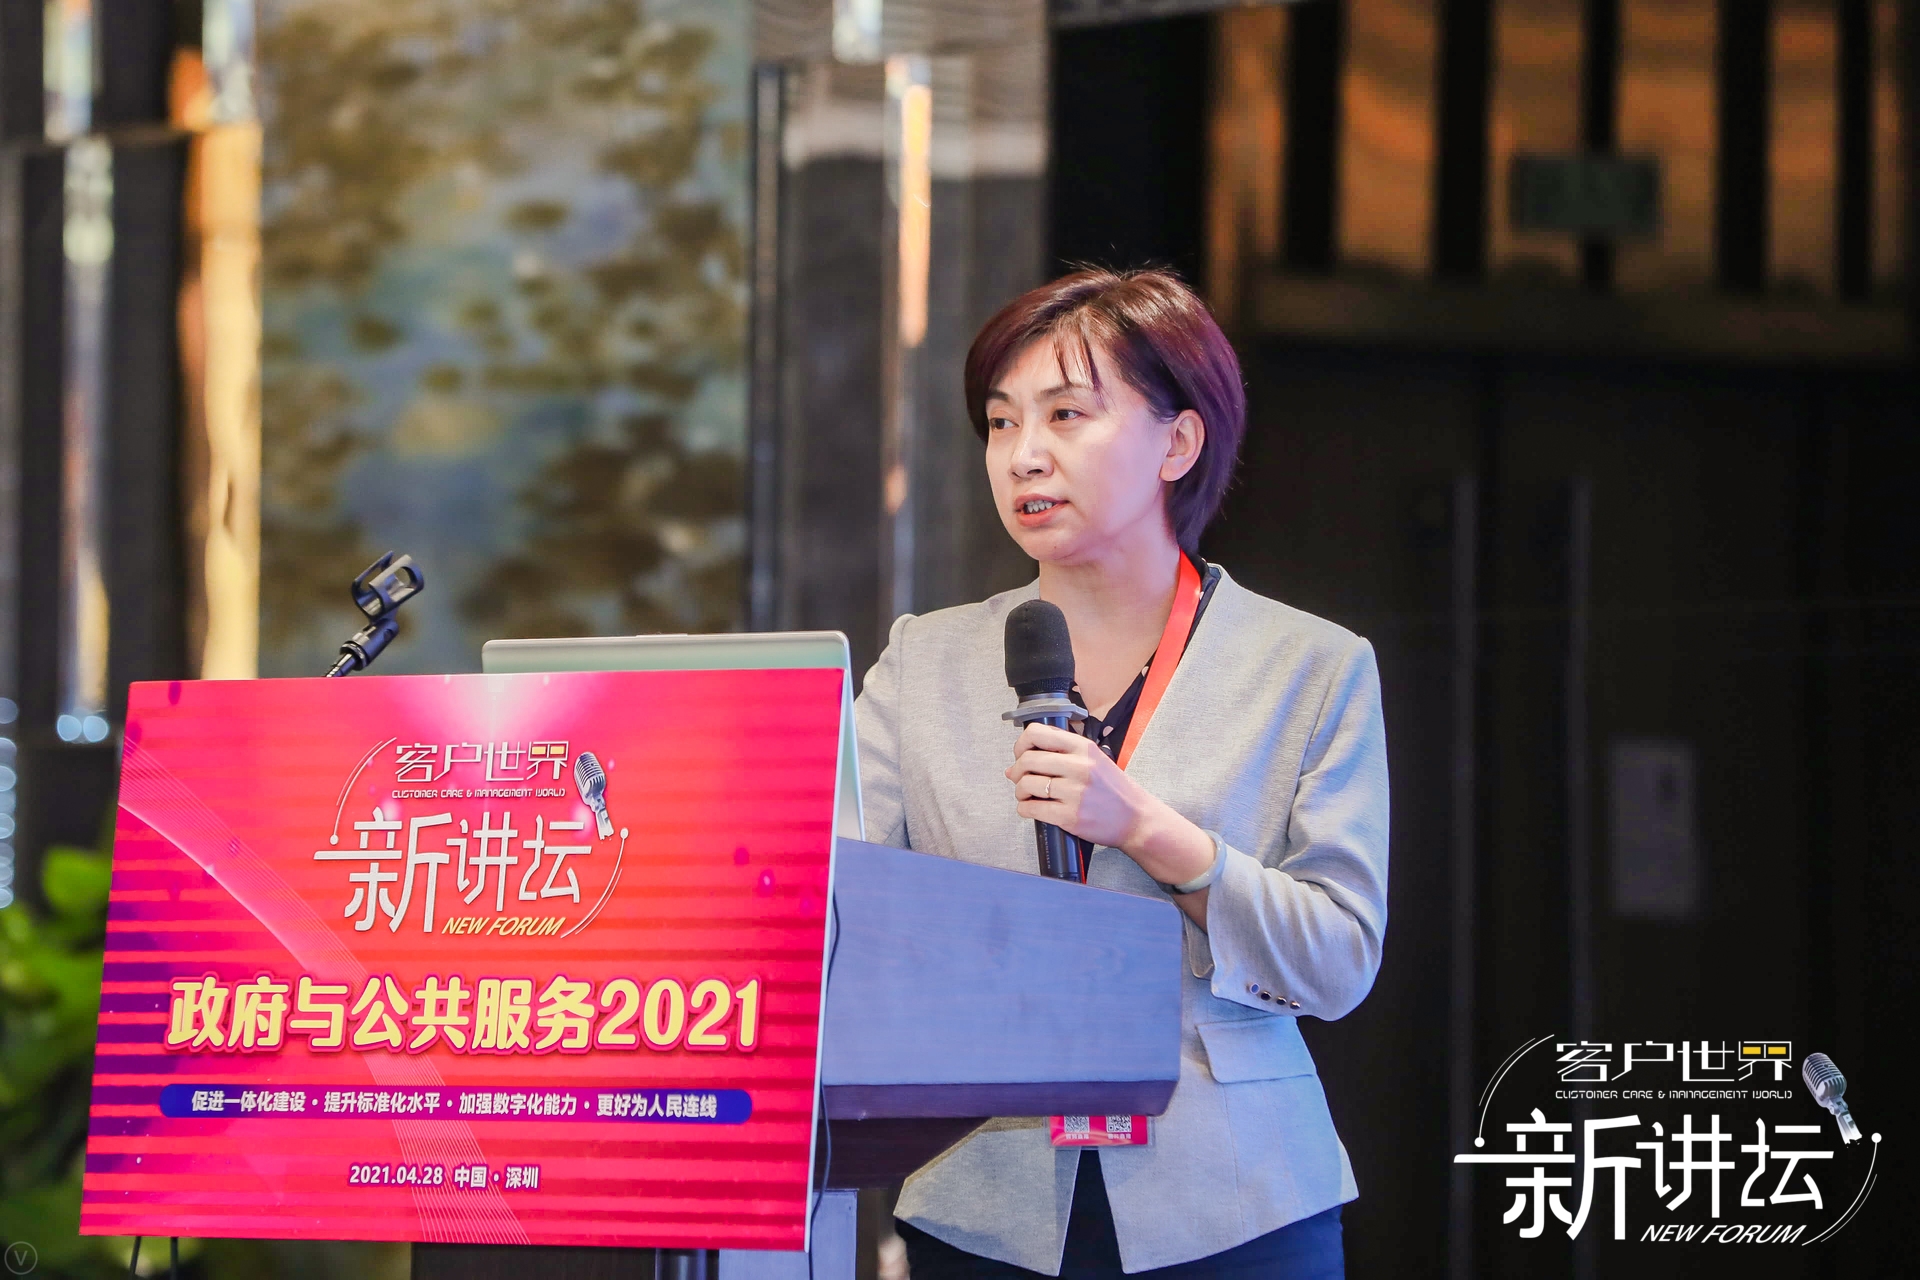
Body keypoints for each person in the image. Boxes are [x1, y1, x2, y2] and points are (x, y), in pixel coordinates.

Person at [853, 268, 1389, 1279]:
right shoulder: (924, 661)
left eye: (1066, 414)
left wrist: (1152, 831)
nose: (1025, 453)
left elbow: (1338, 959)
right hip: (984, 1196)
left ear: (1177, 444)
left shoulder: (1310, 665)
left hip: (1236, 1206)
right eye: (1001, 422)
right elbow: (837, 900)